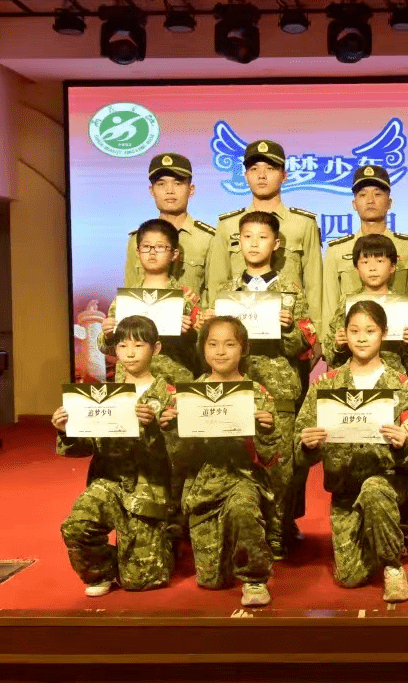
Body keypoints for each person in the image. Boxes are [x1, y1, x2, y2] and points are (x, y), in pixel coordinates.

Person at [295, 300, 408, 603]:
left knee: (374, 489)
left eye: (370, 330)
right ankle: (376, 532)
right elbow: (298, 441)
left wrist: (405, 442)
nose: (361, 337)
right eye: (354, 330)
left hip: (387, 482)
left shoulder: (400, 384)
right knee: (350, 578)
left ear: (383, 334)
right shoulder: (326, 384)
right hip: (344, 490)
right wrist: (307, 443)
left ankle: (394, 565)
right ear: (345, 333)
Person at [198, 211, 314, 560]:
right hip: (235, 389)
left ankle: (277, 534)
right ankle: (240, 530)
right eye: (247, 237)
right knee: (235, 463)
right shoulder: (224, 294)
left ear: (276, 244)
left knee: (278, 467)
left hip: (278, 390)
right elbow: (211, 348)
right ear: (238, 243)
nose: (253, 243)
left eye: (262, 237)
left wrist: (291, 326)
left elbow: (304, 345)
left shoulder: (291, 293)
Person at [52, 315, 175, 597]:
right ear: (114, 350)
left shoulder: (170, 396)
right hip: (108, 482)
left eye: (139, 345)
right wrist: (66, 429)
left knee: (142, 582)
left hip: (149, 490)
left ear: (155, 349)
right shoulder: (102, 396)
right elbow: (85, 447)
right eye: (122, 346)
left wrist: (156, 427)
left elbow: (182, 454)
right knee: (76, 527)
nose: (130, 353)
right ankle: (104, 570)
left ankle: (163, 544)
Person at [161, 316, 280, 607]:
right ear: (203, 349)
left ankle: (255, 578)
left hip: (244, 478)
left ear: (244, 349)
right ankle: (225, 553)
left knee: (242, 507)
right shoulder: (188, 395)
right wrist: (169, 428)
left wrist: (265, 431)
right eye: (213, 344)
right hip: (202, 484)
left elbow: (270, 458)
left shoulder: (258, 394)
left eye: (230, 344)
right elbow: (177, 458)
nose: (221, 351)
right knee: (212, 581)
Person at [205, 139, 323, 330]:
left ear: (284, 175)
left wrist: (315, 332)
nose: (261, 175)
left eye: (270, 168)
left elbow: (314, 285)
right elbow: (217, 282)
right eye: (254, 169)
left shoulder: (303, 224)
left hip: (288, 330)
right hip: (237, 328)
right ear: (245, 176)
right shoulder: (228, 225)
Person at [321, 165, 408, 339]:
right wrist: (330, 345)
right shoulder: (336, 250)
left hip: (399, 346)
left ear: (389, 202)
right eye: (363, 195)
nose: (370, 200)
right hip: (352, 348)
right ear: (354, 204)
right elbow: (330, 306)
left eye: (377, 194)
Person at [100, 218, 201, 383]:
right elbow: (105, 347)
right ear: (138, 252)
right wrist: (108, 334)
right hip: (131, 383)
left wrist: (189, 334)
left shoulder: (186, 298)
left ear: (174, 254)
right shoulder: (125, 299)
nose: (152, 252)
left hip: (174, 384)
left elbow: (205, 348)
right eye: (146, 247)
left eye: (160, 247)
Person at [322, 234, 408, 379]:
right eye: (365, 262)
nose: (372, 268)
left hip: (395, 382)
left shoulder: (405, 306)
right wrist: (338, 345)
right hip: (354, 382)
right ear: (357, 269)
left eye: (379, 261)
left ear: (392, 267)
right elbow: (330, 356)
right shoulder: (345, 305)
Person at [124, 153, 216, 301]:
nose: (169, 190)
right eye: (161, 184)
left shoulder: (208, 239)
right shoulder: (137, 239)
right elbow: (129, 293)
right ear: (151, 191)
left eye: (178, 183)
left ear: (191, 190)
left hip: (193, 322)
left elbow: (214, 293)